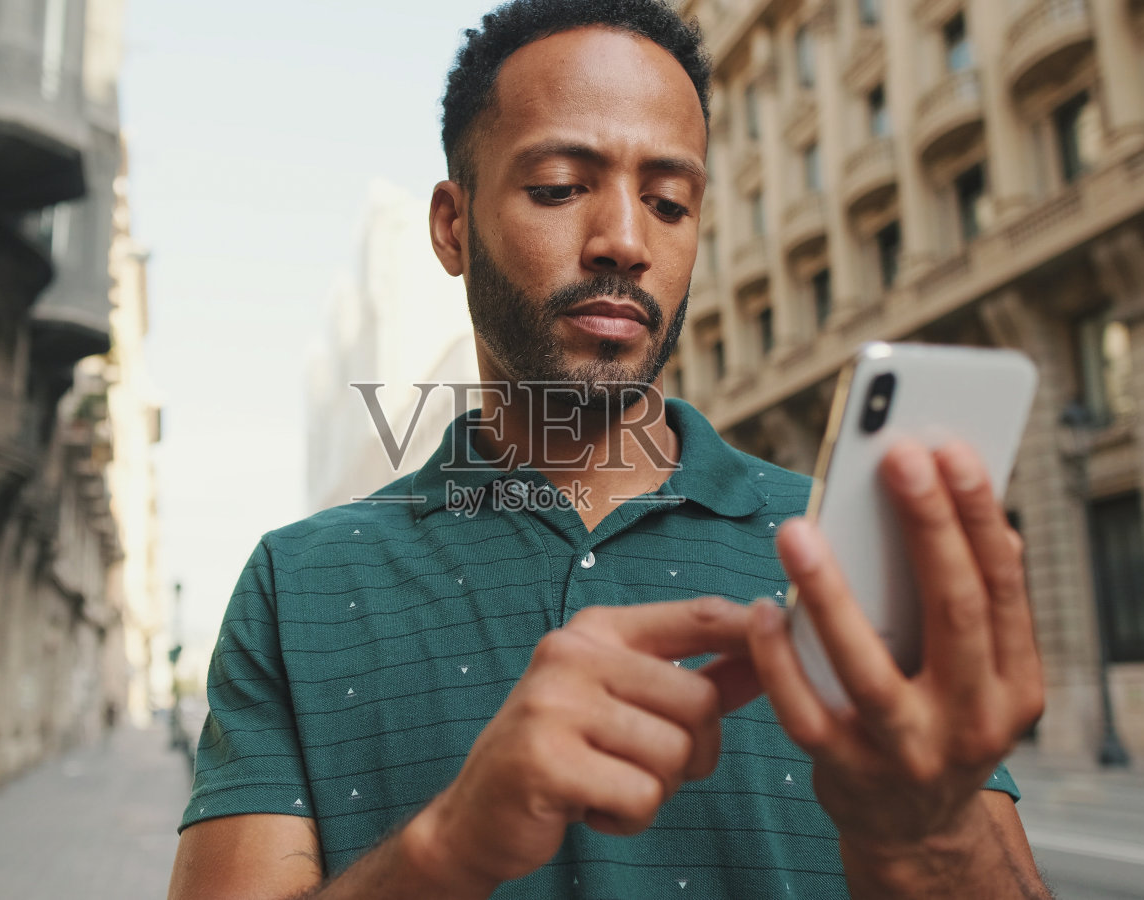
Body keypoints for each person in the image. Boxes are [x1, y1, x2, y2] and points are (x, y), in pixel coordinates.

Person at [166, 1, 1050, 897]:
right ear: (451, 226)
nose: (627, 240)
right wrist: (448, 848)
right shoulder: (299, 585)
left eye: (669, 203)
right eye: (558, 186)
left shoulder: (834, 551)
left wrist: (929, 840)